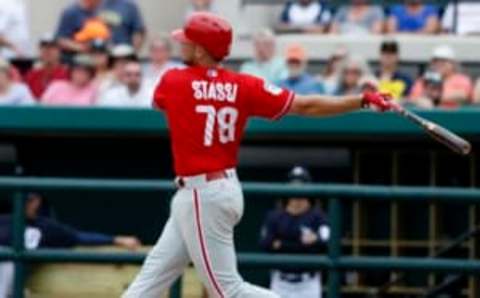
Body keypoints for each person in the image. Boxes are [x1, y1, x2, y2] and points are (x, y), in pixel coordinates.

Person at [122, 12, 391, 298]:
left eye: (188, 42)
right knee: (151, 277)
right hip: (213, 189)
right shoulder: (244, 85)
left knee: (227, 291)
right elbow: (307, 105)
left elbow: (161, 102)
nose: (182, 45)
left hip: (204, 194)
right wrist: (361, 100)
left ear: (200, 50)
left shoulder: (174, 80)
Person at [0, 192, 141, 298]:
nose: (28, 204)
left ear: (37, 202)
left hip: (9, 271)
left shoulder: (46, 227)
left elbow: (78, 237)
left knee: (10, 266)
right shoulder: (4, 220)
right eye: (25, 200)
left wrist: (115, 239)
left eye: (30, 200)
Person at [260, 166, 329, 298]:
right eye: (293, 185)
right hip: (281, 282)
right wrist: (305, 244)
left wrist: (282, 244)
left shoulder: (318, 217)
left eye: (301, 185)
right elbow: (265, 243)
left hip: (308, 283)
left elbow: (327, 240)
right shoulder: (275, 216)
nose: (297, 190)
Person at [24, 34, 70, 99]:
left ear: (60, 51)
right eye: (44, 46)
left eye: (52, 47)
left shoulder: (68, 74)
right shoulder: (31, 75)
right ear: (39, 50)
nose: (48, 50)